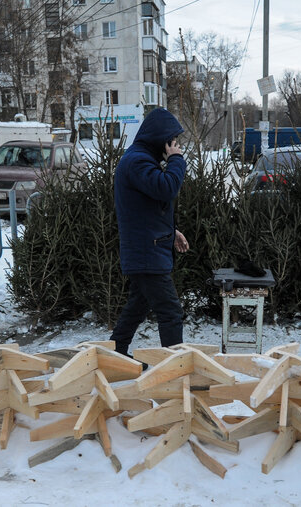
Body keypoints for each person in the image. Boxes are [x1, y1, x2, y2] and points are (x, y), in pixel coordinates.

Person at [110, 108, 190, 357]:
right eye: (172, 141)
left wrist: (171, 230)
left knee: (137, 307)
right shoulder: (138, 161)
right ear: (161, 139)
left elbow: (146, 207)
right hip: (146, 252)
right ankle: (174, 367)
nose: (174, 146)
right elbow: (166, 188)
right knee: (170, 312)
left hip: (147, 248)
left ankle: (115, 354)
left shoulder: (141, 158)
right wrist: (177, 160)